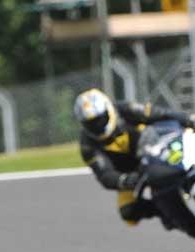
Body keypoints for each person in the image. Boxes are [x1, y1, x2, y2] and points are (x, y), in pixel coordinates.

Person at [74, 88, 195, 226]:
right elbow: (105, 174)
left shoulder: (126, 109)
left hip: (159, 151)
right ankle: (167, 212)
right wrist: (124, 180)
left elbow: (160, 113)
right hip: (133, 172)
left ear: (108, 109)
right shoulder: (88, 145)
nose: (96, 125)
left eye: (99, 119)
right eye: (90, 123)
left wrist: (188, 120)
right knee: (128, 210)